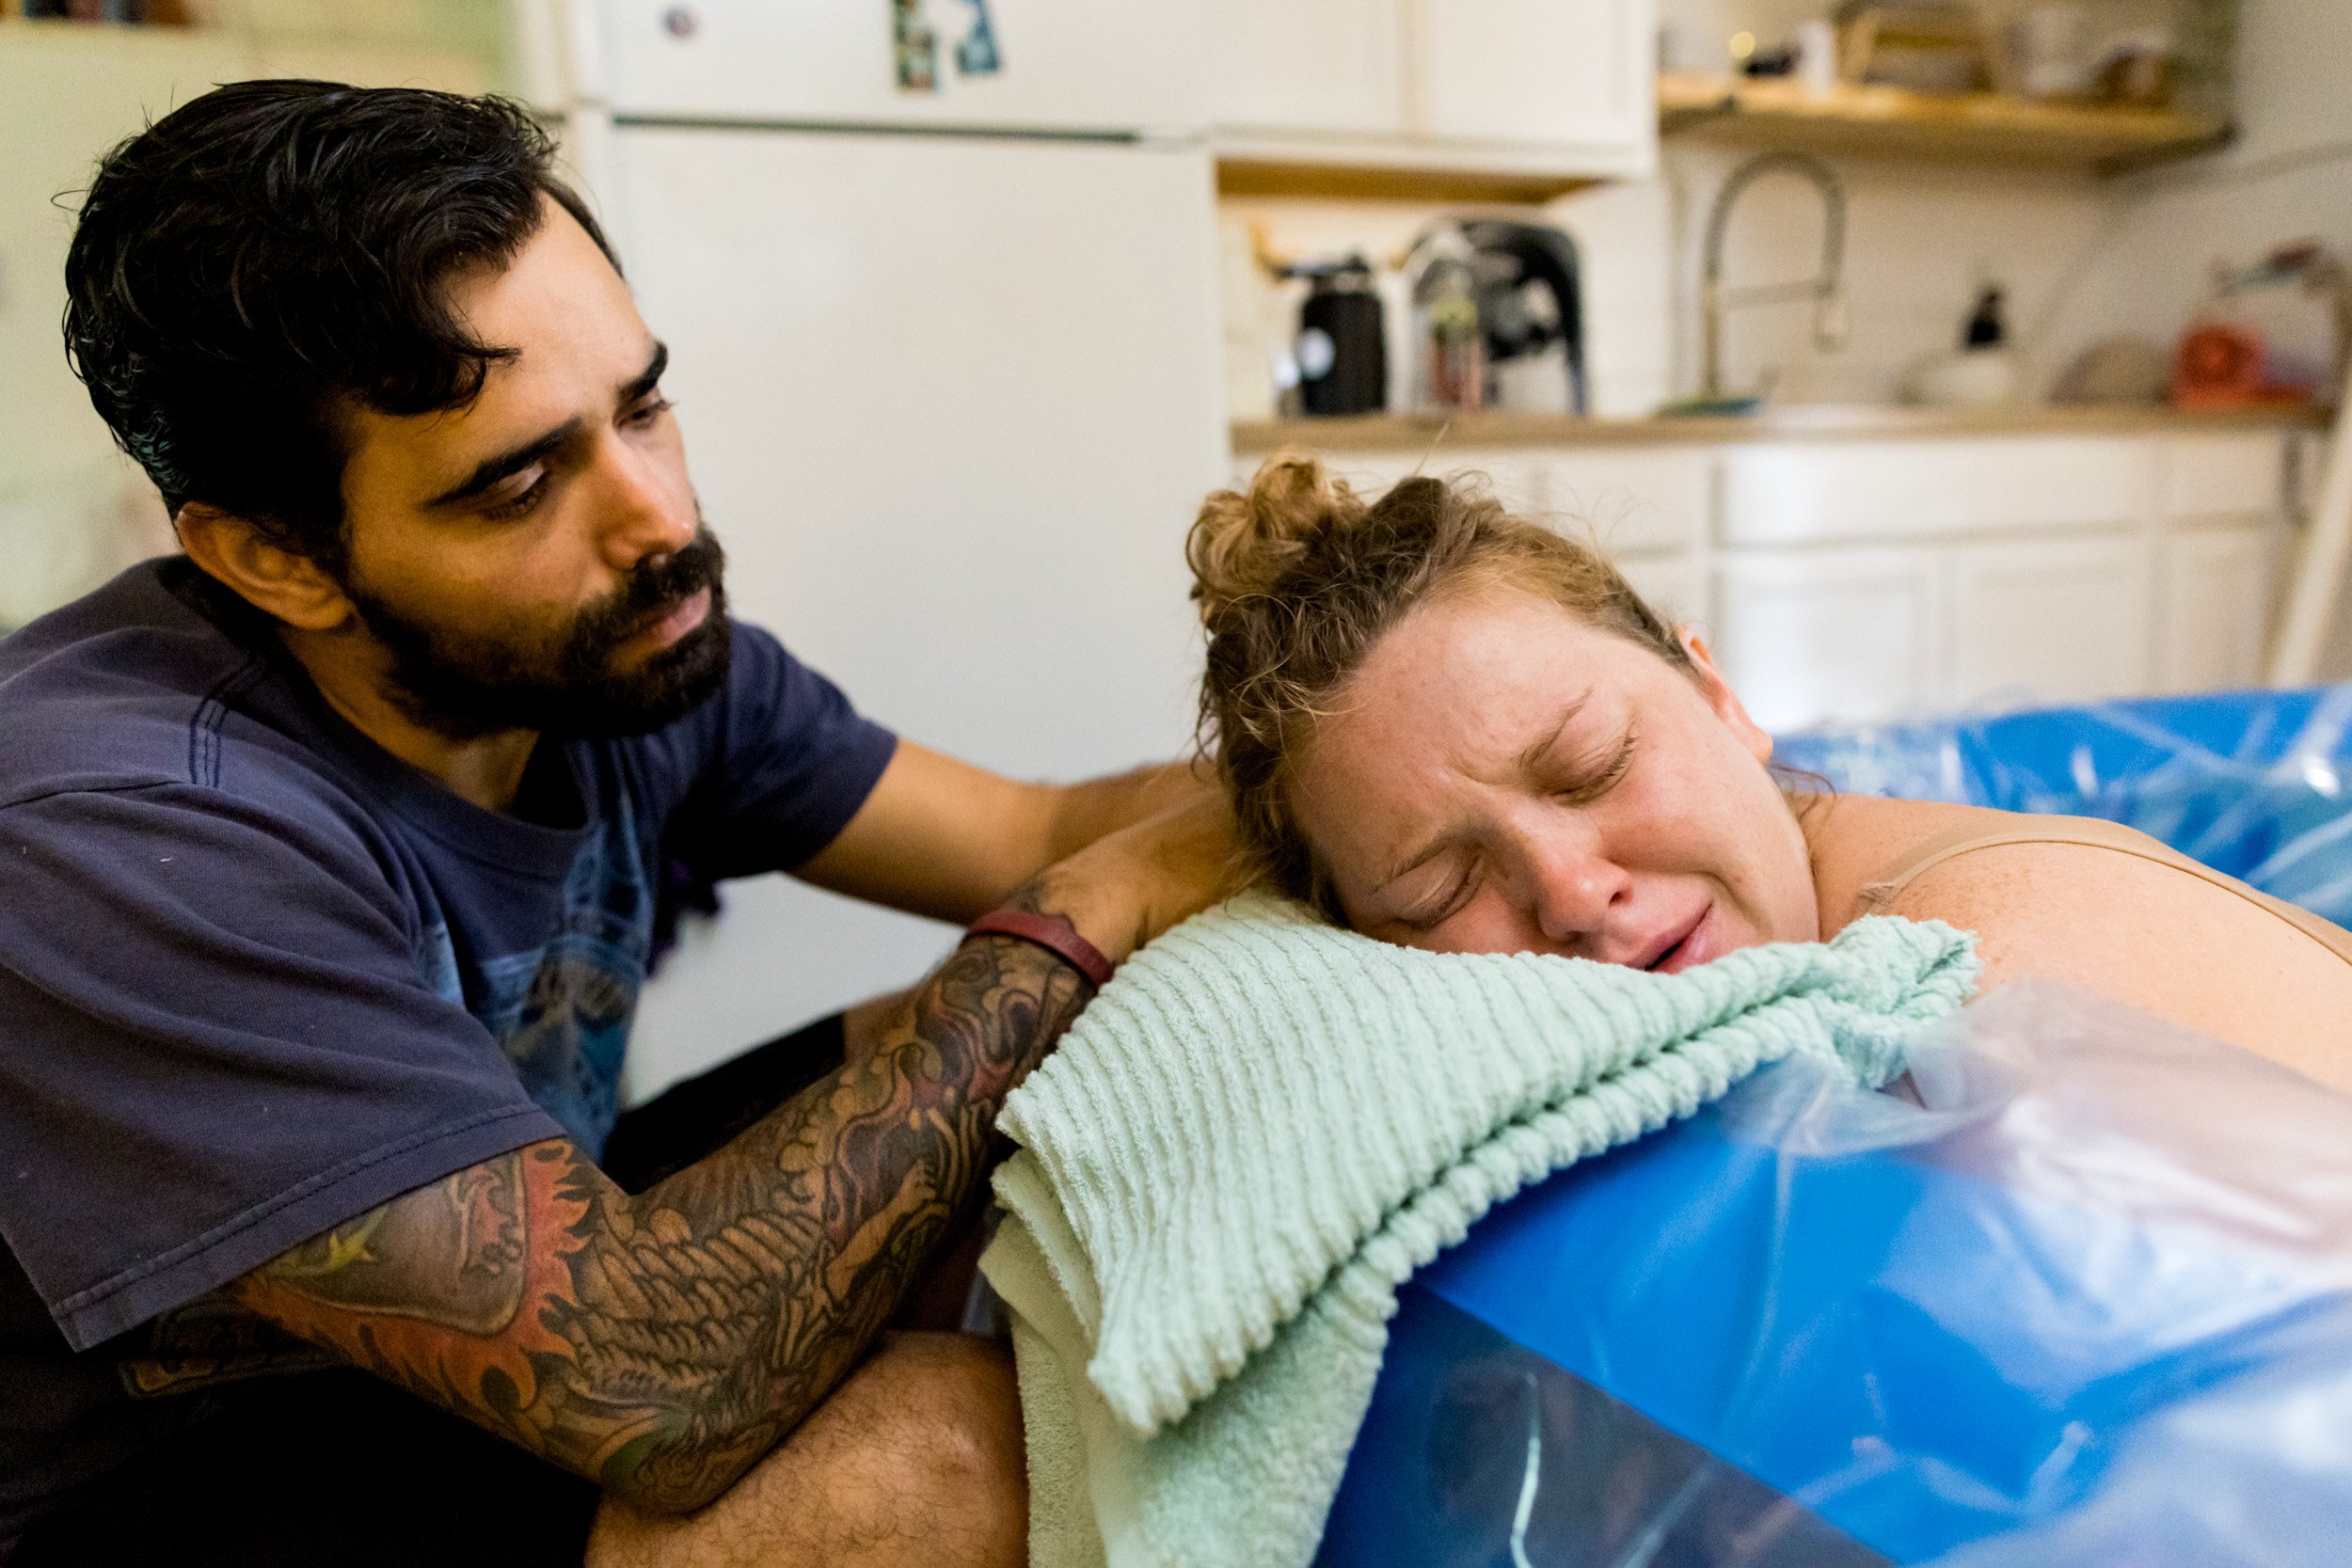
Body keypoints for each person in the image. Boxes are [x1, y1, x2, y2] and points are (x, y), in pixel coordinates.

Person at [0, 82, 1232, 1567]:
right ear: (276, 557)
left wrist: (1401, 753)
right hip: (127, 1491)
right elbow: (660, 1381)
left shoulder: (620, 646)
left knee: (980, 1069)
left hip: (446, 1332)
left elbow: (1038, 825)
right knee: (942, 1449)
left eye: (642, 404)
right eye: (518, 483)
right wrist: (1097, 908)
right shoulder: (118, 834)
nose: (655, 516)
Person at [1185, 451, 2352, 1088]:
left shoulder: (2014, 973)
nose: (1572, 891)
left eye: (1591, 767)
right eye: (1442, 891)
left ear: (1721, 697)